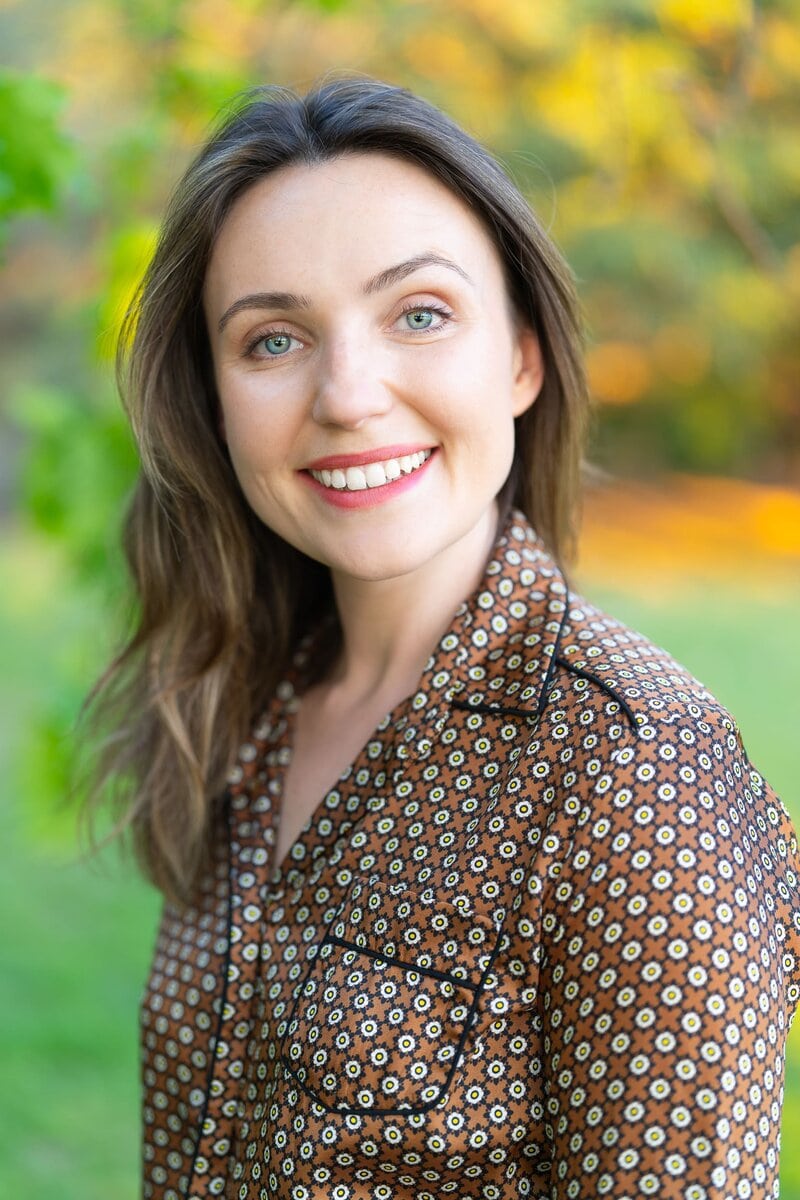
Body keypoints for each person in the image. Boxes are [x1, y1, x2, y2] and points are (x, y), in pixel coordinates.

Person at [88, 76, 800, 1199]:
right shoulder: (239, 706)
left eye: (418, 313)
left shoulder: (636, 776)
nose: (349, 395)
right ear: (213, 400)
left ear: (519, 356)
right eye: (272, 340)